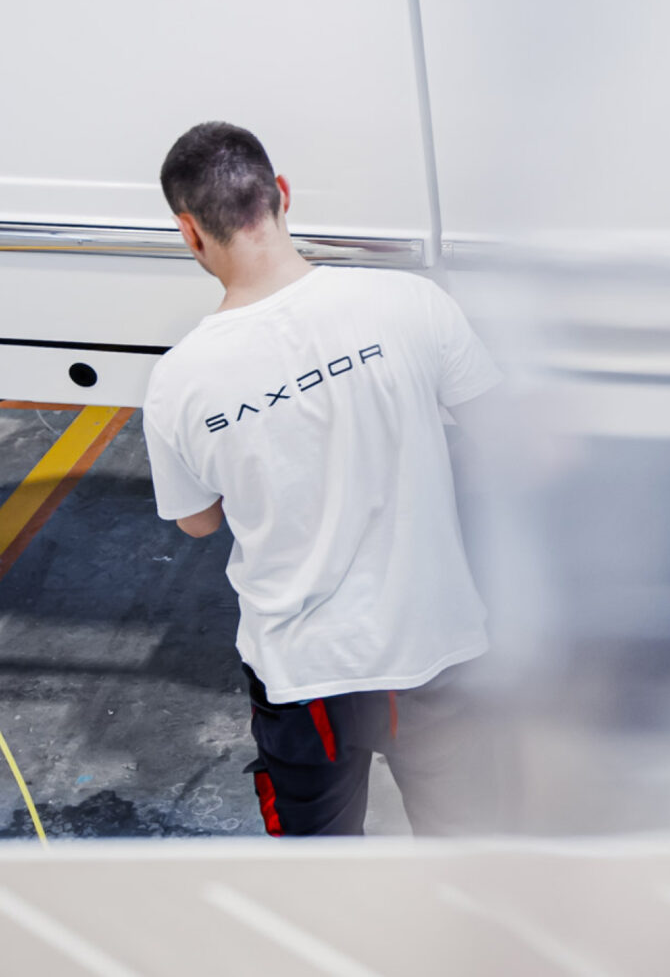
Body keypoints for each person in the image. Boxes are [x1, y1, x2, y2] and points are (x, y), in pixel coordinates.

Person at [143, 121, 498, 836]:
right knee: (466, 848)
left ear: (188, 230)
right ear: (280, 193)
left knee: (319, 868)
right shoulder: (409, 302)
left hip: (305, 677)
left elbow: (198, 521)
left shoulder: (178, 383)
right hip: (433, 646)